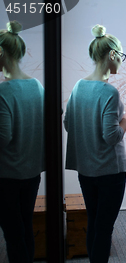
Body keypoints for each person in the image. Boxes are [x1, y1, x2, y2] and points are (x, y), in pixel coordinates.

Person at [64, 24, 126, 262]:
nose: (121, 62)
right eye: (121, 56)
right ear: (112, 55)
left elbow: (67, 124)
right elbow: (111, 136)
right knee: (104, 228)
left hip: (86, 169)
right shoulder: (110, 92)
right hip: (110, 172)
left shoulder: (78, 87)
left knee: (93, 222)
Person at [0, 21, 45, 263]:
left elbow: (3, 137)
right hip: (31, 171)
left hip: (7, 175)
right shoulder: (37, 86)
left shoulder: (3, 92)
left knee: (13, 233)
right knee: (26, 226)